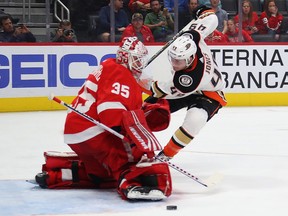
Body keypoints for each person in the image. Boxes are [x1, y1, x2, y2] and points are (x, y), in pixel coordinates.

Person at [34, 37, 172, 201]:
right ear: (124, 57)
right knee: (131, 157)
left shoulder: (109, 66)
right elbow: (110, 109)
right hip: (94, 131)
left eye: (140, 59)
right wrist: (129, 138)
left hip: (77, 132)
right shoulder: (120, 71)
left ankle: (59, 175)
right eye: (136, 58)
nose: (139, 63)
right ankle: (130, 184)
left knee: (102, 173)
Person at [145, 5, 227, 161]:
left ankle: (165, 156)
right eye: (173, 59)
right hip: (190, 87)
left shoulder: (190, 80)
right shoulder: (192, 36)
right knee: (145, 111)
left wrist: (134, 80)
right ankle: (129, 141)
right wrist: (201, 11)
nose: (174, 64)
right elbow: (211, 16)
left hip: (208, 94)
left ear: (190, 59)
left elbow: (156, 90)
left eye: (179, 61)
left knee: (195, 120)